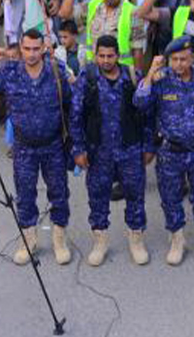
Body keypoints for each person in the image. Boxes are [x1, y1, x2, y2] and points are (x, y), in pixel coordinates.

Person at [0, 30, 73, 266]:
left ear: (44, 48)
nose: (32, 54)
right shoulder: (11, 71)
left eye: (36, 49)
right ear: (21, 49)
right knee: (25, 195)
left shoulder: (56, 71)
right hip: (24, 148)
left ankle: (59, 239)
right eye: (27, 49)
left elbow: (70, 101)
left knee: (59, 193)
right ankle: (29, 240)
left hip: (53, 145)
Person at [136, 37, 194, 265]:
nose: (179, 64)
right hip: (169, 151)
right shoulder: (161, 79)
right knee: (170, 197)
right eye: (174, 59)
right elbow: (140, 103)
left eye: (183, 59)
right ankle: (177, 239)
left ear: (192, 58)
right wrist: (150, 73)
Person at [69, 33, 148, 266]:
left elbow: (145, 114)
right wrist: (79, 149)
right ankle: (100, 242)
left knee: (135, 195)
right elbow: (76, 115)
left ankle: (136, 240)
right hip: (98, 151)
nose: (105, 60)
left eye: (110, 56)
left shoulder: (132, 76)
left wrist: (148, 146)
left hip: (129, 150)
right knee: (98, 197)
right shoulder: (87, 77)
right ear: (96, 54)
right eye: (101, 56)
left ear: (117, 55)